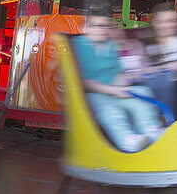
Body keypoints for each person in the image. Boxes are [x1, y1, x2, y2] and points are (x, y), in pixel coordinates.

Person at [70, 8, 163, 152]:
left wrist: (122, 83)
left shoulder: (110, 45)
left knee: (142, 93)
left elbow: (118, 71)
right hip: (93, 93)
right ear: (86, 27)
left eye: (106, 26)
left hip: (112, 89)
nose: (103, 30)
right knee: (109, 110)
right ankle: (126, 139)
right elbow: (82, 81)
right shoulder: (79, 44)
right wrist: (113, 90)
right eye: (98, 26)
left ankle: (150, 129)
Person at [140, 3, 177, 119]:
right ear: (155, 23)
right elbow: (142, 68)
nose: (170, 25)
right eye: (164, 21)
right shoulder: (146, 44)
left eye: (174, 21)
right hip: (158, 83)